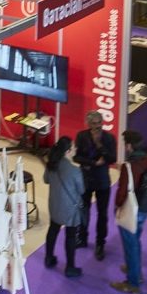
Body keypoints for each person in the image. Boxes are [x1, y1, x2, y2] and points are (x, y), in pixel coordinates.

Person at [112, 130, 147, 294]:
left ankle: (133, 283)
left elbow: (122, 191)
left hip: (132, 209)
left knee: (130, 245)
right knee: (136, 240)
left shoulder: (128, 166)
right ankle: (135, 269)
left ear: (129, 146)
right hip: (145, 208)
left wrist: (117, 207)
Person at [74, 111, 116, 260]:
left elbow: (112, 158)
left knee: (102, 214)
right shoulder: (81, 136)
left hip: (102, 181)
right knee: (83, 210)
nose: (97, 126)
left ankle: (100, 244)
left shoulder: (109, 138)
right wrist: (93, 163)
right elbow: (76, 157)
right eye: (94, 123)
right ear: (88, 124)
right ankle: (82, 237)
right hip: (85, 181)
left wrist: (99, 145)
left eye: (99, 123)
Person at [43, 136, 85, 278]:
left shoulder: (51, 164)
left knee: (53, 230)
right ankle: (70, 267)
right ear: (67, 152)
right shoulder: (75, 170)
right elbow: (82, 190)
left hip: (54, 204)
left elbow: (46, 180)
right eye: (73, 147)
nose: (75, 149)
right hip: (70, 208)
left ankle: (49, 257)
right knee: (70, 236)